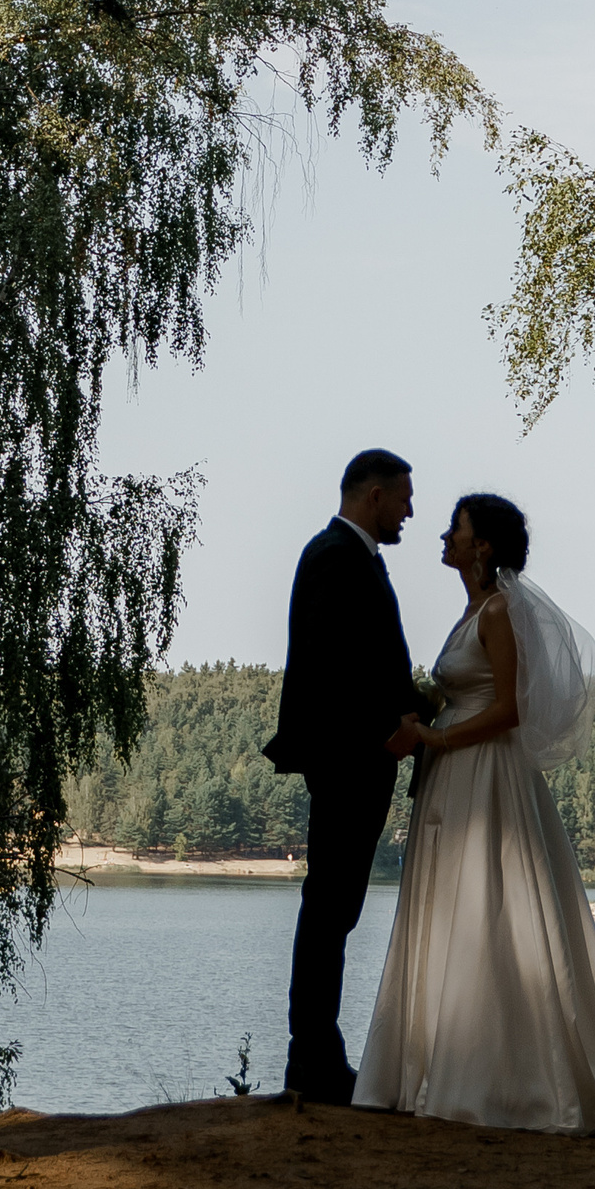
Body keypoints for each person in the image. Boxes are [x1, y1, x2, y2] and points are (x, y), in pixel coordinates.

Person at [353, 492, 595, 1135]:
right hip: (452, 771)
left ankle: (505, 1082)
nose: (444, 537)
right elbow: (468, 690)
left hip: (484, 770)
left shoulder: (499, 610)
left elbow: (510, 709)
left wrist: (438, 736)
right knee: (455, 906)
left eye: (456, 529)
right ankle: (440, 1067)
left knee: (490, 904)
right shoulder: (473, 610)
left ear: (483, 545)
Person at [264, 448, 429, 1102]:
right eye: (404, 498)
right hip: (349, 760)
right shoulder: (336, 556)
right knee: (330, 907)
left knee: (335, 908)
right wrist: (387, 733)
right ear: (374, 495)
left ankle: (316, 1057)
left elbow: (365, 662)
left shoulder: (345, 555)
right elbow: (333, 666)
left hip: (355, 758)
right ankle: (314, 1062)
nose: (410, 511)